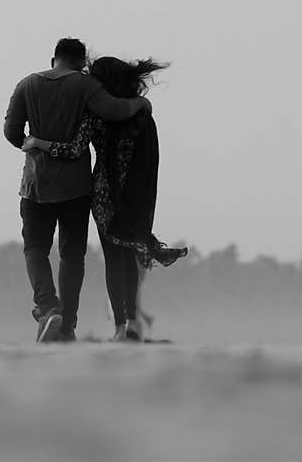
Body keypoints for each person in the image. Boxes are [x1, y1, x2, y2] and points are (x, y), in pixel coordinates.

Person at [21, 56, 187, 341]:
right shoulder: (141, 115)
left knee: (113, 258)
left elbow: (73, 150)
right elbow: (151, 161)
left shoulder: (96, 115)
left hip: (103, 195)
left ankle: (120, 328)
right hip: (134, 196)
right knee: (129, 255)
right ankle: (133, 323)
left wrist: (39, 143)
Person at [4, 38, 152, 343]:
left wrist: (32, 145)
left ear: (53, 59)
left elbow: (11, 132)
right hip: (76, 188)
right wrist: (140, 102)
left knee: (35, 248)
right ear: (82, 63)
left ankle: (47, 309)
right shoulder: (85, 86)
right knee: (73, 255)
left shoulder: (26, 85)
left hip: (35, 185)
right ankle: (68, 324)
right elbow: (113, 110)